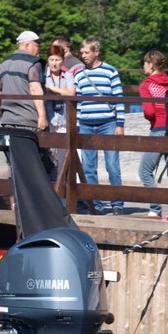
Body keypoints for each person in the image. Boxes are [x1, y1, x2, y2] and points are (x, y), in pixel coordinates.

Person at [74, 37, 125, 214]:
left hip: (108, 123)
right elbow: (79, 103)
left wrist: (120, 123)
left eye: (86, 52)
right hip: (86, 124)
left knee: (112, 164)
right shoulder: (79, 74)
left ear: (96, 52)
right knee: (89, 166)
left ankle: (117, 203)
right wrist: (78, 123)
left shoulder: (110, 71)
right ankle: (95, 204)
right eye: (82, 53)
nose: (83, 56)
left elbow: (118, 98)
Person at [138, 49, 168, 218]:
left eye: (144, 62)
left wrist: (152, 120)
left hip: (158, 129)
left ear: (150, 64)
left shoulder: (147, 85)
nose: (143, 66)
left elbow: (149, 111)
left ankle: (155, 209)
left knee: (145, 171)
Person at [0, 31, 48, 131]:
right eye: (37, 45)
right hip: (29, 120)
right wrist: (42, 116)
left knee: (13, 146)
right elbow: (35, 90)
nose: (39, 49)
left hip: (7, 119)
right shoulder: (34, 63)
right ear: (27, 45)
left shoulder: (3, 64)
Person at [44, 42, 76, 177]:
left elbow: (72, 93)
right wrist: (62, 91)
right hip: (47, 120)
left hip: (63, 120)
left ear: (62, 60)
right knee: (49, 156)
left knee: (64, 156)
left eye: (57, 60)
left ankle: (63, 188)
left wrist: (51, 88)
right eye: (51, 59)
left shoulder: (67, 75)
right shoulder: (42, 75)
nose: (54, 63)